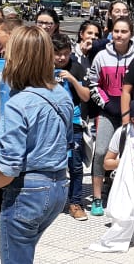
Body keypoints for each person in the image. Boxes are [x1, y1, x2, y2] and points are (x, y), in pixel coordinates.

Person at [0, 26, 73, 263]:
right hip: (58, 187)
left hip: (28, 191)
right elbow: (67, 141)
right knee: (25, 251)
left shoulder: (18, 104)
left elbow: (9, 167)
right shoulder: (62, 95)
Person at [86, 16, 134, 216]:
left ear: (131, 33)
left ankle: (128, 193)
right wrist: (107, 104)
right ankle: (97, 197)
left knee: (132, 154)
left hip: (133, 113)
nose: (119, 35)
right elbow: (93, 84)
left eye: (124, 31)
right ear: (111, 32)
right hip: (108, 111)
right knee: (101, 152)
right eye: (116, 31)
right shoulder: (101, 56)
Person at [54, 34, 91, 222]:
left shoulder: (76, 68)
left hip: (73, 124)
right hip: (50, 125)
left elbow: (86, 96)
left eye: (65, 54)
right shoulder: (43, 68)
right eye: (57, 54)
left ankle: (75, 202)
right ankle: (50, 201)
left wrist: (72, 80)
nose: (61, 58)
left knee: (75, 166)